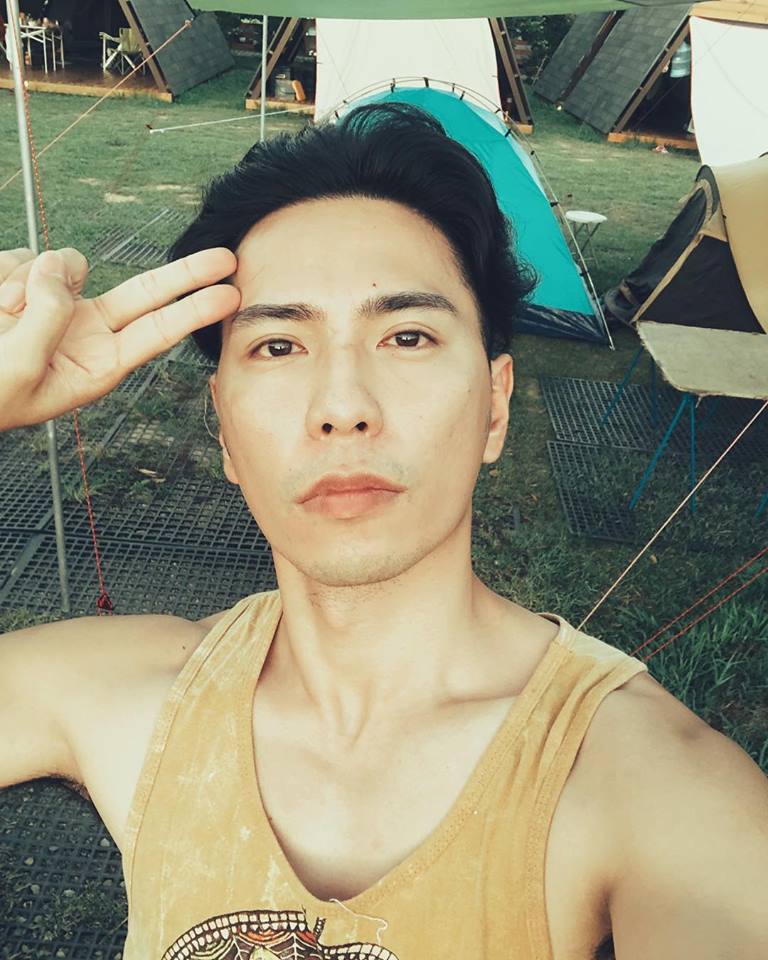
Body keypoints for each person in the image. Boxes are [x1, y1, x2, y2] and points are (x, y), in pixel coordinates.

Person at [0, 103, 766, 960]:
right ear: (223, 429)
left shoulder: (652, 789)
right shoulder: (123, 700)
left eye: (406, 336)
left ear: (496, 407)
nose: (343, 408)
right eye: (279, 346)